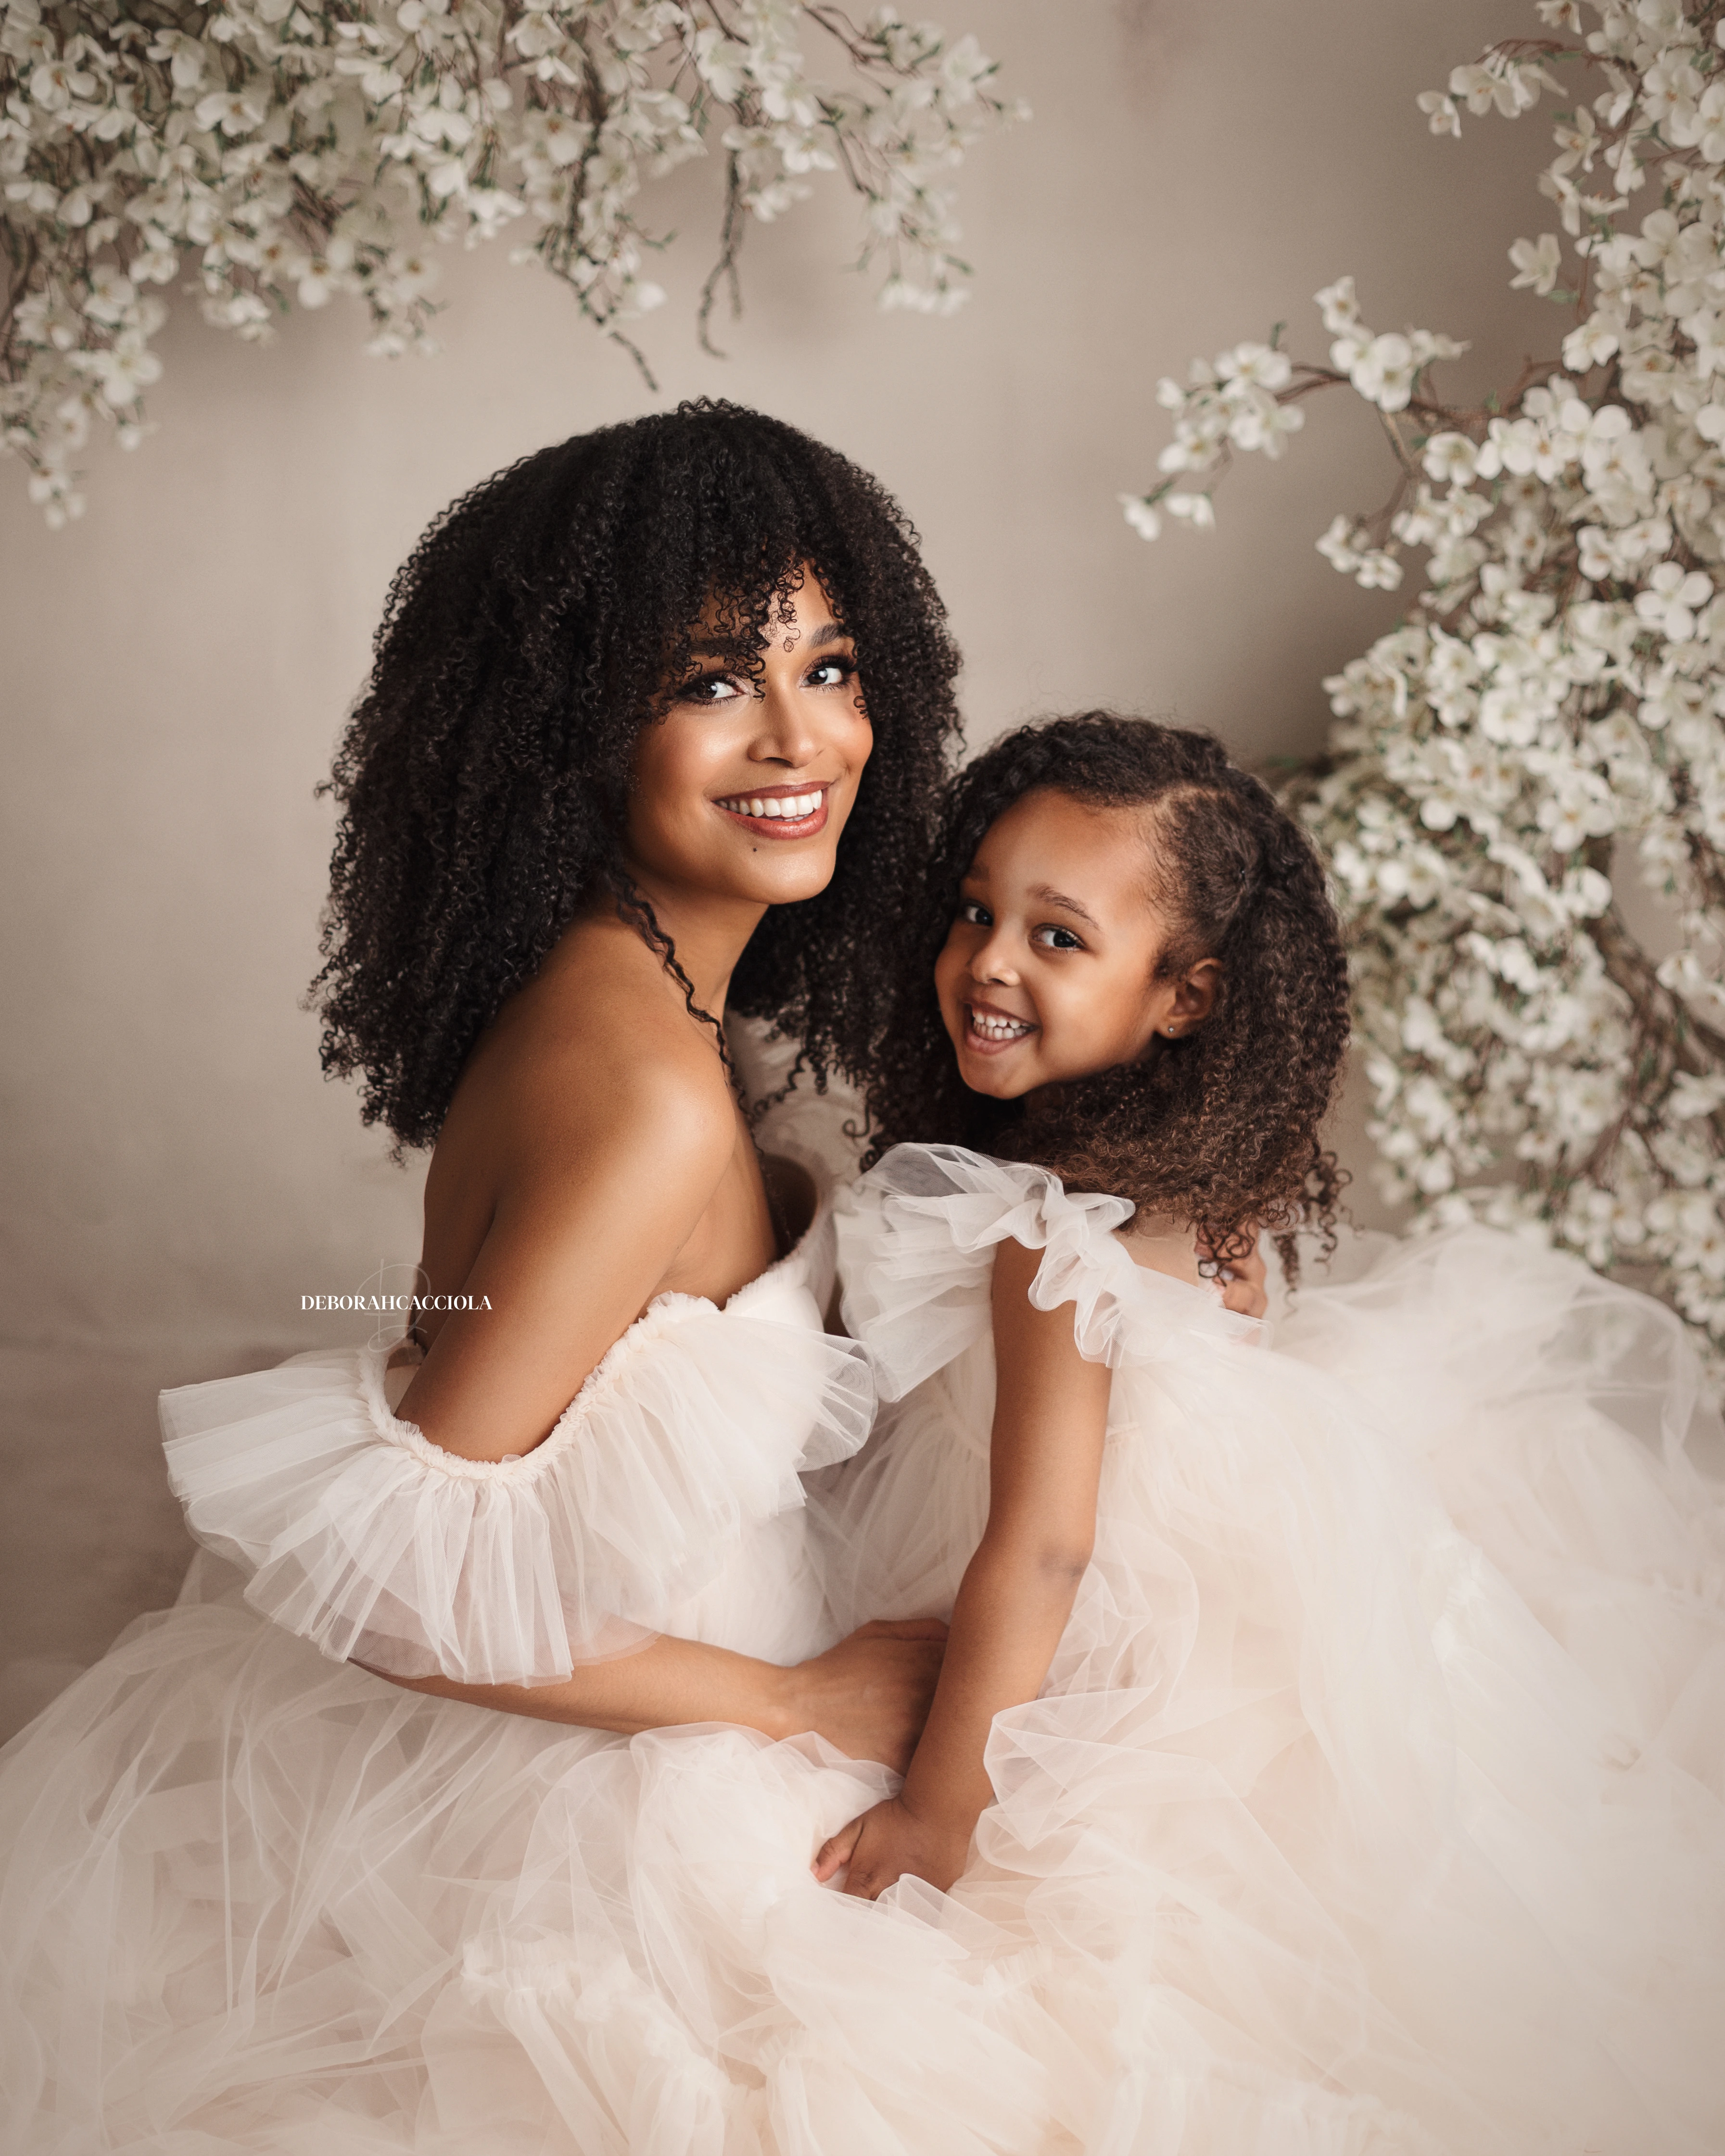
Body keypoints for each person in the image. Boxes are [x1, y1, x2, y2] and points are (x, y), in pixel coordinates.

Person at [0, 403, 976, 2152]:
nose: (800, 735)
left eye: (831, 665)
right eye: (708, 682)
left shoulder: (638, 1001)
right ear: (568, 737)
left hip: (660, 1706)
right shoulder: (644, 1100)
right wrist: (789, 1702)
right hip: (614, 1804)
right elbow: (391, 1590)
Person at [810, 712, 1725, 2155]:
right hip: (1239, 1612)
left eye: (1060, 939)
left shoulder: (1052, 1234)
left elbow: (1045, 1549)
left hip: (1109, 1639)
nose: (987, 960)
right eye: (978, 912)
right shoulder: (1207, 1186)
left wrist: (938, 1816)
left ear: (1186, 995)